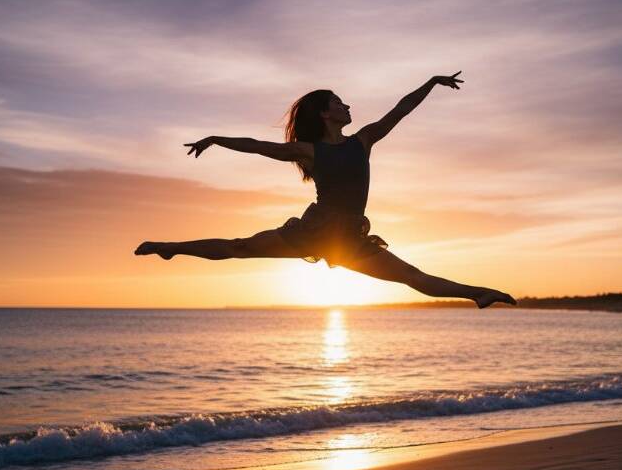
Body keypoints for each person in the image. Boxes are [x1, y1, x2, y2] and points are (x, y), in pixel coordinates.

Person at [135, 71, 516, 308]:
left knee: (412, 276)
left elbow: (400, 110)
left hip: (348, 239)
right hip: (315, 231)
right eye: (339, 103)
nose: (348, 106)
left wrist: (431, 83)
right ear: (324, 112)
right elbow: (257, 145)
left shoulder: (363, 140)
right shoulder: (309, 151)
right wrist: (216, 138)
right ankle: (170, 248)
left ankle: (478, 293)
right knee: (241, 247)